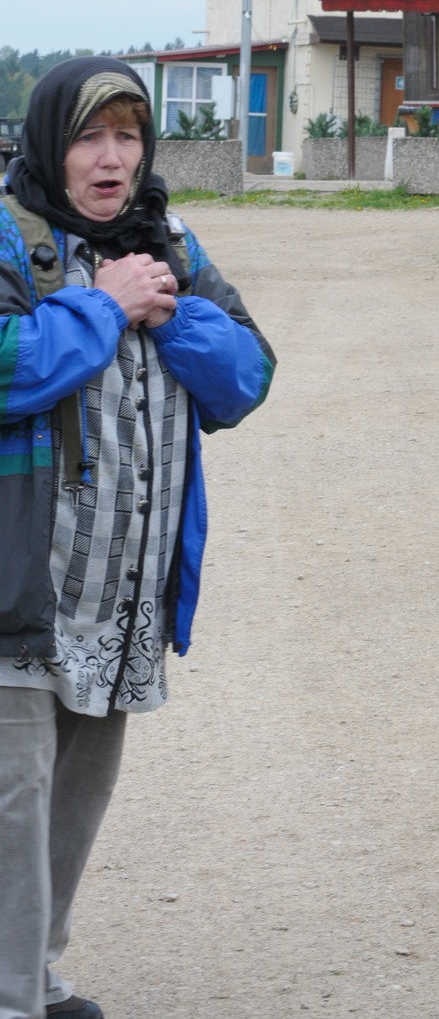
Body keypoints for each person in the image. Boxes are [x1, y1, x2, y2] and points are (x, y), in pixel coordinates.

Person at [0, 57, 276, 1019]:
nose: (112, 158)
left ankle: (33, 973)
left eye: (128, 135)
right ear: (49, 143)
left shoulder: (168, 242)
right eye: (89, 136)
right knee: (13, 803)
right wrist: (101, 307)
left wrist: (170, 309)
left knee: (73, 800)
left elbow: (245, 378)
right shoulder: (7, 240)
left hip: (119, 590)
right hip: (17, 585)